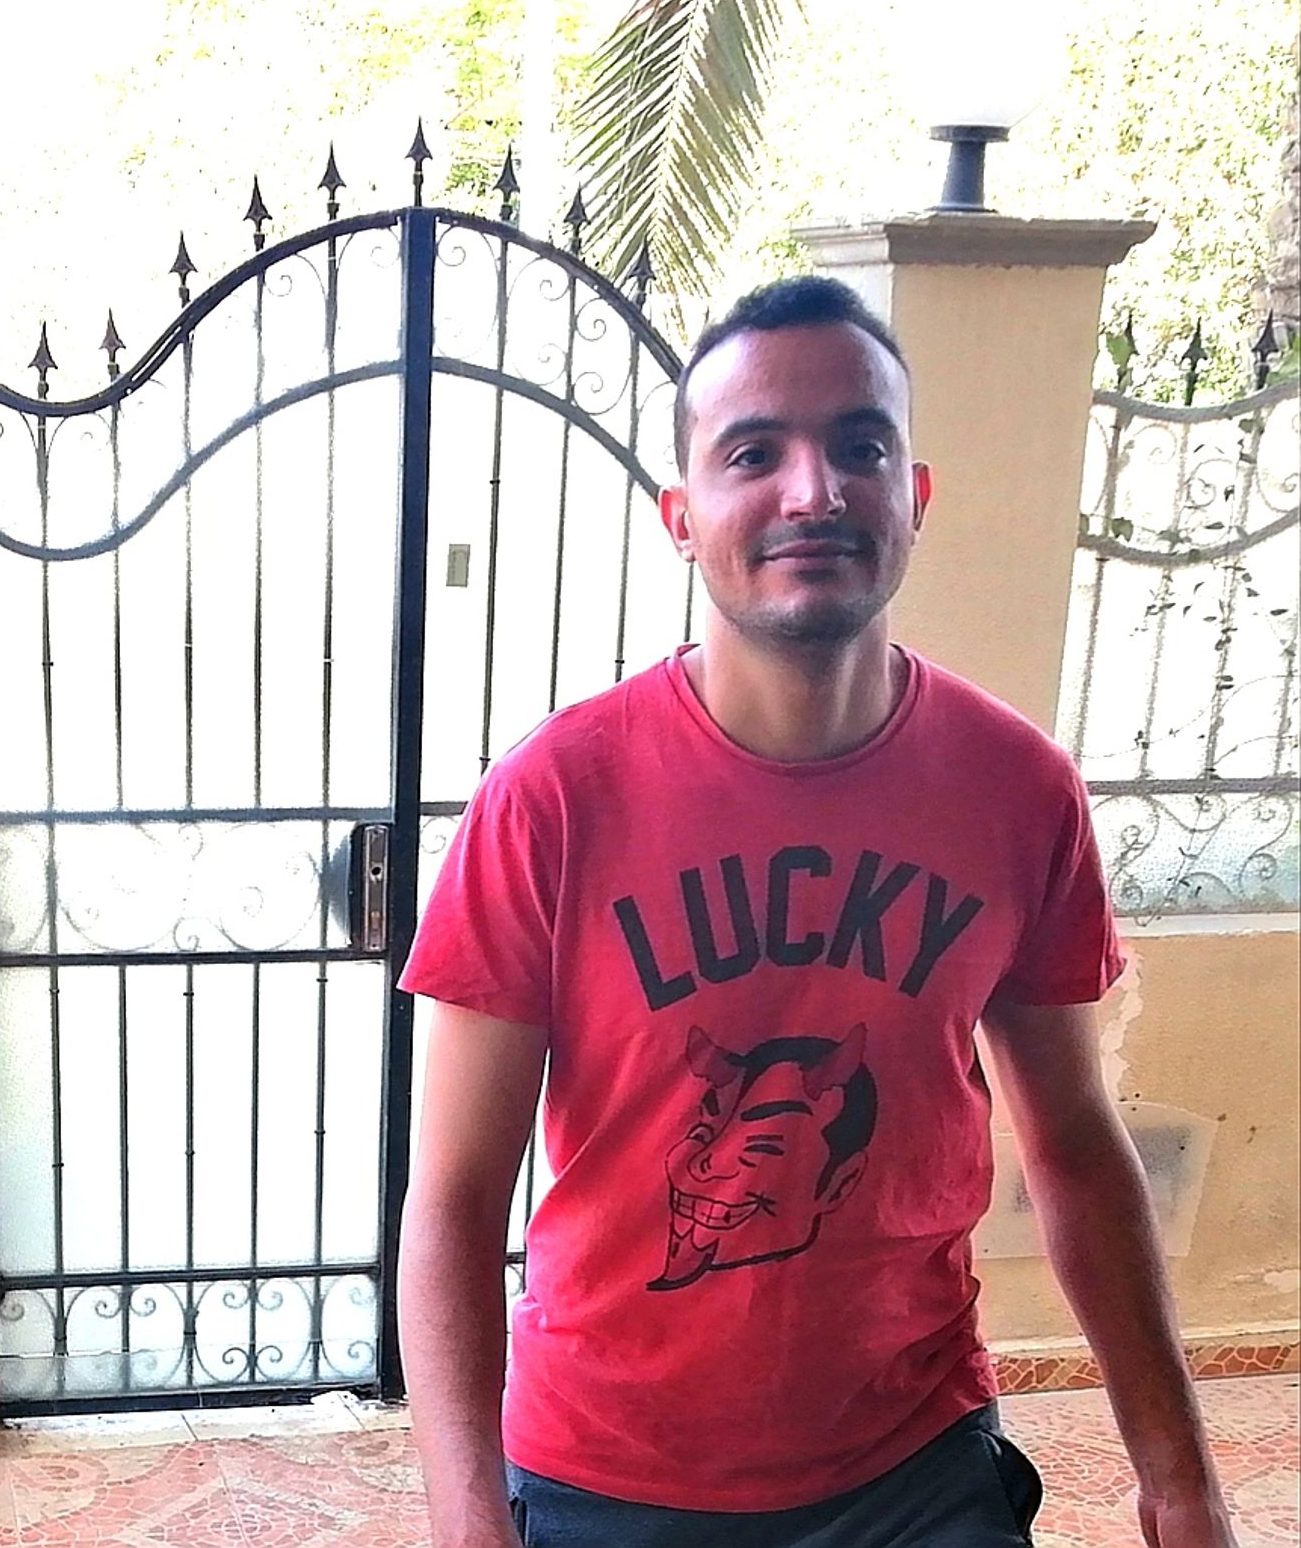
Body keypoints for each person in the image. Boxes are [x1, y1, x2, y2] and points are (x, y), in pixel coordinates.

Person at [396, 277, 1238, 1548]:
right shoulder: (554, 800)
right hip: (606, 1473)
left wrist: (1181, 1480)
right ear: (683, 517)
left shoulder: (1016, 789)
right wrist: (470, 1523)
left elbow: (1073, 1141)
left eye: (860, 445)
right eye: (754, 453)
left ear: (915, 496)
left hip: (913, 1466)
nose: (815, 490)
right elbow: (455, 1196)